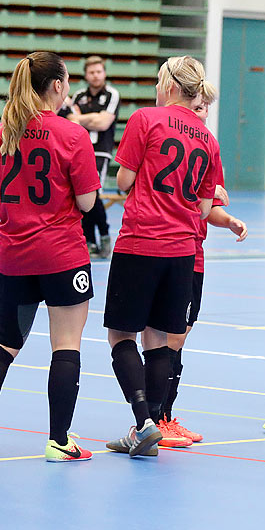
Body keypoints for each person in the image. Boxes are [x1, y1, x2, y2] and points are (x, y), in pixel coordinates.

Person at [0, 53, 100, 463]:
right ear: (57, 85)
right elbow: (89, 202)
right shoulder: (72, 135)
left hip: (15, 255)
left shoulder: (4, 132)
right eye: (68, 81)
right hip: (62, 255)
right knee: (66, 345)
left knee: (4, 342)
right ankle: (59, 441)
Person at [101, 56, 220, 457]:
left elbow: (123, 179)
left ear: (169, 84)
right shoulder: (208, 138)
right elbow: (204, 209)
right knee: (158, 339)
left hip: (141, 240)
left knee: (121, 334)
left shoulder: (145, 119)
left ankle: (144, 421)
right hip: (183, 250)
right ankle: (149, 428)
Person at [153, 88, 261, 448]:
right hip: (168, 250)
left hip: (193, 257)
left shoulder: (206, 149)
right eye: (196, 107)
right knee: (168, 338)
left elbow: (207, 207)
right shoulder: (165, 142)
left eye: (205, 109)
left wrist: (227, 219)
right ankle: (154, 419)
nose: (200, 114)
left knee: (180, 338)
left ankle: (165, 416)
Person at [62, 56, 121, 257]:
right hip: (77, 149)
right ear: (86, 75)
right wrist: (89, 119)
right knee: (80, 193)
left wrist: (80, 118)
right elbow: (71, 122)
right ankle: (90, 240)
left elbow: (103, 123)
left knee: (92, 192)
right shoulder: (78, 95)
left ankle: (104, 235)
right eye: (92, 72)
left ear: (104, 73)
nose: (96, 75)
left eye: (99, 71)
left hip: (100, 151)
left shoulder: (112, 94)